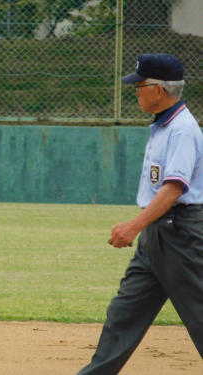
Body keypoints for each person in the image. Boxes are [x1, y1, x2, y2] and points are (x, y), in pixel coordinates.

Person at [77, 53, 203, 374]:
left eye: (140, 86)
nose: (135, 91)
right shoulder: (165, 125)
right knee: (124, 314)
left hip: (181, 236)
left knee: (199, 318)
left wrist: (133, 227)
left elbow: (174, 189)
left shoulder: (182, 130)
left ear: (158, 90)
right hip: (157, 236)